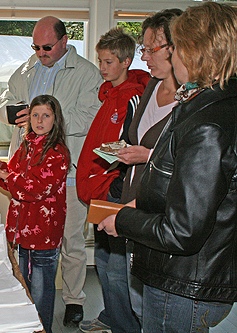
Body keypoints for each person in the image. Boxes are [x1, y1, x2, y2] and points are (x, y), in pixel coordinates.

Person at [99, 2, 237, 332]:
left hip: (184, 284)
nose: (172, 58)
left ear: (193, 52)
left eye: (176, 49)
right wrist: (138, 204)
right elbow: (182, 188)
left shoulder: (207, 124)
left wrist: (125, 219)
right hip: (186, 278)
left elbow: (183, 232)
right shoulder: (205, 104)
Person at [0, 15, 103, 326]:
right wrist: (13, 113)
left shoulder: (86, 73)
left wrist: (46, 118)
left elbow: (90, 116)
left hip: (66, 171)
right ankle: (28, 297)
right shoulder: (29, 66)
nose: (40, 53)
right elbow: (6, 98)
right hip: (28, 169)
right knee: (27, 239)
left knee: (71, 240)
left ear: (63, 41)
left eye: (46, 47)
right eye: (35, 46)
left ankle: (73, 299)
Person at [109, 9, 182, 328]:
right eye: (145, 48)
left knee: (154, 305)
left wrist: (147, 155)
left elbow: (188, 160)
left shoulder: (191, 98)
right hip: (133, 199)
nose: (146, 56)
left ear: (177, 47)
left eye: (152, 48)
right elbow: (135, 135)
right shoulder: (151, 86)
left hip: (160, 211)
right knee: (136, 298)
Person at [76, 27, 150, 333]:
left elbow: (130, 145)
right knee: (105, 262)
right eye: (100, 61)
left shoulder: (133, 97)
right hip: (100, 189)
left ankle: (125, 325)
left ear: (126, 61)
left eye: (108, 62)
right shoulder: (109, 94)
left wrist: (116, 187)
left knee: (116, 266)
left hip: (115, 190)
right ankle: (112, 316)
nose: (102, 67)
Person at [0, 95, 70, 333]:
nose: (39, 120)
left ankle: (42, 329)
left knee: (40, 294)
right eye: (35, 115)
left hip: (44, 236)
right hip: (21, 232)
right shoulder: (27, 143)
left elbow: (35, 188)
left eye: (46, 115)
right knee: (24, 286)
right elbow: (14, 177)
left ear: (55, 119)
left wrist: (5, 175)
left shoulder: (57, 153)